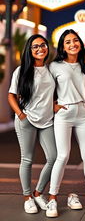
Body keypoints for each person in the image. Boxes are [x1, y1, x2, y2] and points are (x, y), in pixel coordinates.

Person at [46, 29, 85, 218]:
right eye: (68, 42)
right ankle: (52, 198)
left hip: (83, 113)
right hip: (64, 113)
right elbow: (45, 89)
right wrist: (53, 105)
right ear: (62, 46)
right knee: (63, 155)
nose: (72, 44)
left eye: (75, 40)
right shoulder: (54, 66)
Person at [8, 34, 57, 214]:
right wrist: (21, 114)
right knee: (27, 159)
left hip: (47, 120)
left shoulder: (51, 69)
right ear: (29, 50)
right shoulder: (21, 71)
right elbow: (11, 95)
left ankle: (38, 192)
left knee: (54, 157)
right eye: (35, 46)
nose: (40, 49)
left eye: (42, 45)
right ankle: (27, 197)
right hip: (26, 119)